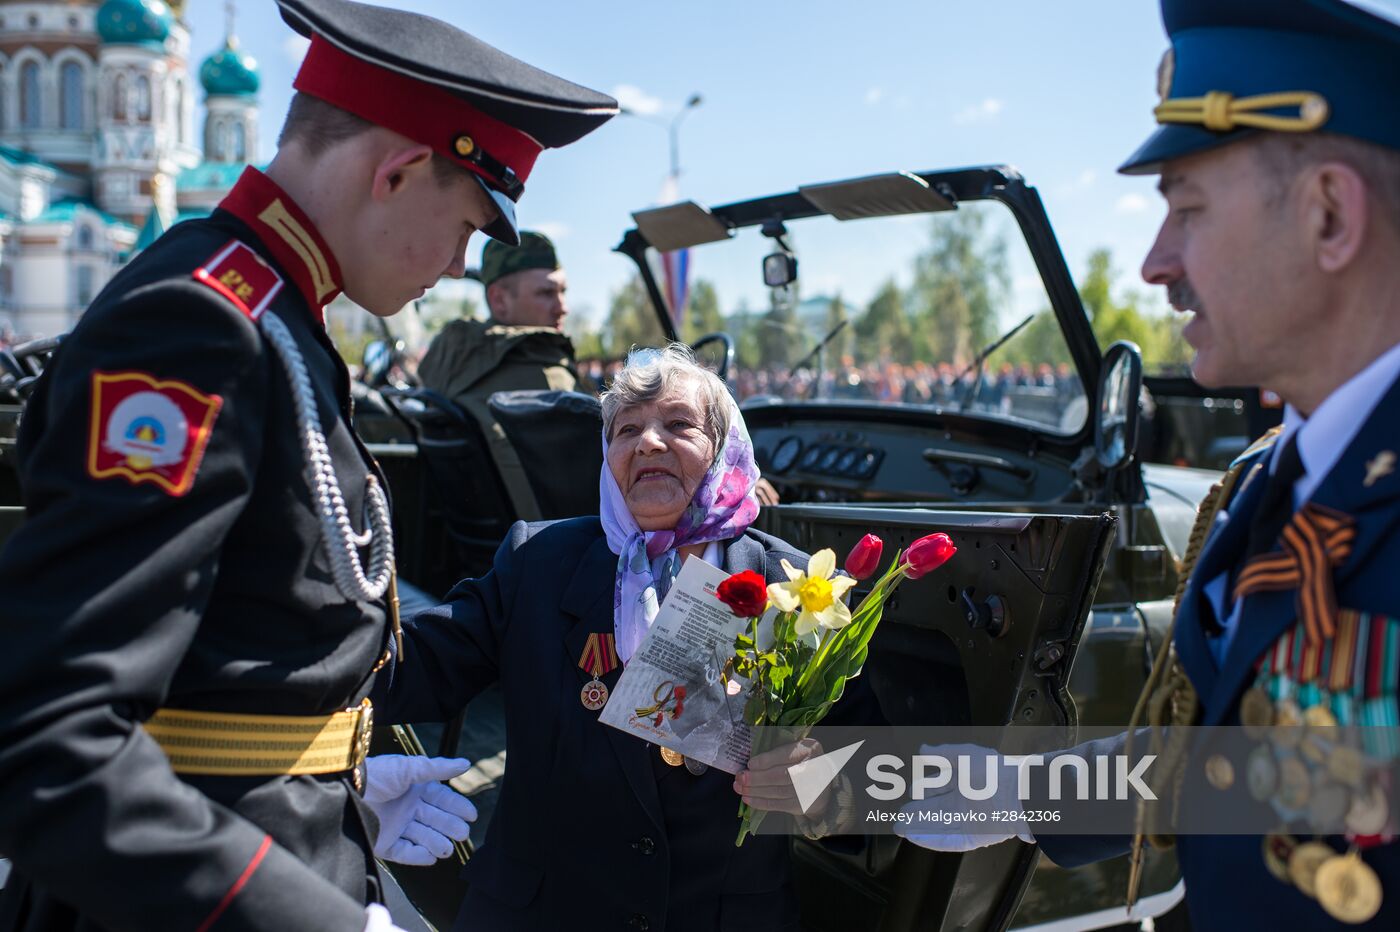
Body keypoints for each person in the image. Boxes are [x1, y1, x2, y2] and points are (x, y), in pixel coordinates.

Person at [0, 0, 616, 928]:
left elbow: (226, 663)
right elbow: (46, 736)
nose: (456, 266)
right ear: (400, 171)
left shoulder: (278, 316)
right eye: (465, 226)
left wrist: (333, 779)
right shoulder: (202, 326)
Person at [909, 1, 1400, 928]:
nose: (1152, 263)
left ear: (1330, 214)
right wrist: (1021, 796)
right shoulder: (1271, 479)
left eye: (1188, 208)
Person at [375, 345, 870, 931]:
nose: (648, 442)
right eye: (626, 429)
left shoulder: (797, 590)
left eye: (679, 424)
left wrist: (813, 784)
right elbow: (411, 664)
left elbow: (869, 770)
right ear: (608, 458)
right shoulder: (538, 562)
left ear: (724, 448)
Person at [417, 230, 581, 518]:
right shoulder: (547, 377)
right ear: (500, 300)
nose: (562, 307)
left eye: (563, 291)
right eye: (546, 293)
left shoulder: (450, 363)